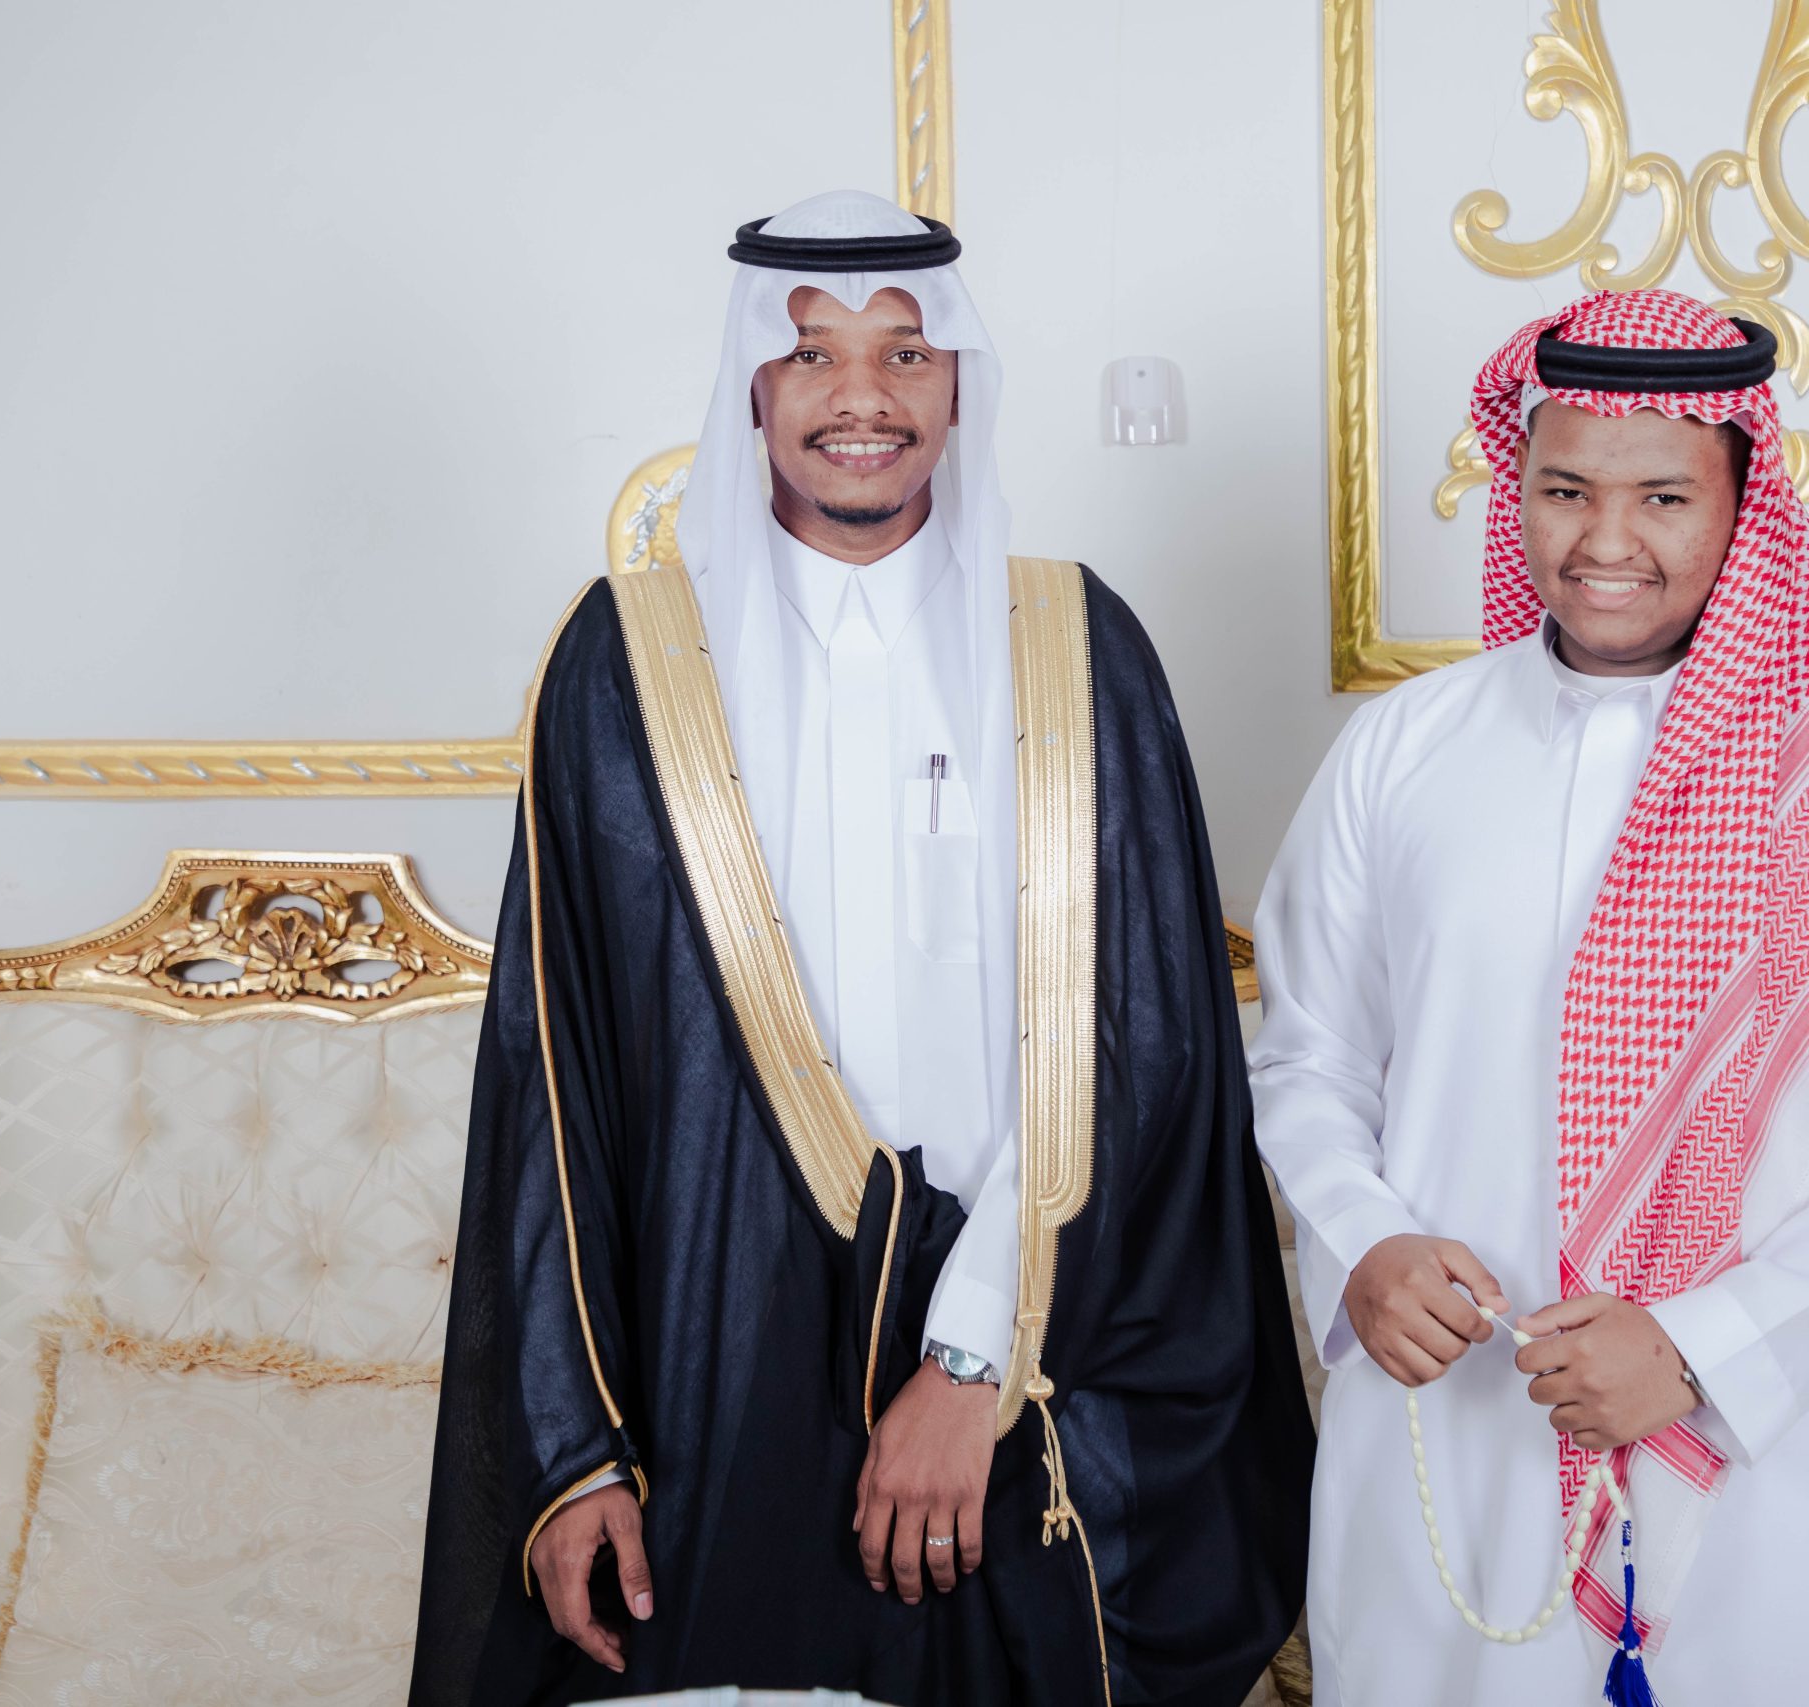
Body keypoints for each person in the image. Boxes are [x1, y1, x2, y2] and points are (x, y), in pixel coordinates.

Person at [412, 190, 1313, 1707]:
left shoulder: (1077, 648)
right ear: (752, 388)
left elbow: (1147, 1050)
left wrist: (968, 1363)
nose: (862, 398)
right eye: (813, 354)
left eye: (905, 352)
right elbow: (553, 1078)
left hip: (1027, 1350)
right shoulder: (626, 663)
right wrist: (576, 1448)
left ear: (958, 383)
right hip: (714, 1362)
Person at [1250, 289, 1809, 1705]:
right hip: (1467, 1409)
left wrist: (1699, 1352)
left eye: (1663, 497)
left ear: (1746, 504)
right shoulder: (1405, 749)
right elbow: (1308, 1057)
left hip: (1784, 1454)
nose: (1605, 542)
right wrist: (1364, 1246)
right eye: (1565, 490)